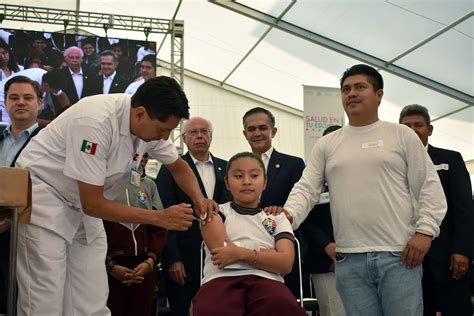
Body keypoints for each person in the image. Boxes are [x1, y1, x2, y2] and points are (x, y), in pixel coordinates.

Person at [14, 76, 218, 315]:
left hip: (82, 206)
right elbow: (93, 203)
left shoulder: (149, 124)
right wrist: (159, 217)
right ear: (140, 113)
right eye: (164, 130)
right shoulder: (94, 122)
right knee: (45, 295)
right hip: (45, 198)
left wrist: (199, 198)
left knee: (92, 295)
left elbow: (178, 166)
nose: (165, 137)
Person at [283, 64, 447, 315]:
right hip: (348, 261)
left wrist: (425, 232)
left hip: (399, 257)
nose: (351, 93)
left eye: (360, 87)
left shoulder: (401, 135)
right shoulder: (327, 144)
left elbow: (429, 187)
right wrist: (288, 215)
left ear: (379, 94)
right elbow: (306, 188)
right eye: (346, 89)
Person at [190, 152, 306, 316]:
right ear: (227, 183)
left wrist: (238, 253)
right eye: (238, 176)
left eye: (254, 175)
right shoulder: (215, 212)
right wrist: (268, 254)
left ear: (264, 182)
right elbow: (221, 252)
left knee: (282, 306)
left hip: (268, 280)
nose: (246, 181)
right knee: (210, 309)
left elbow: (286, 263)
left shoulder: (277, 218)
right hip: (220, 279)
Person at [399, 104, 473, 316]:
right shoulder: (392, 163)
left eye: (418, 125)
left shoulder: (450, 159)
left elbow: (464, 208)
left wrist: (462, 251)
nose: (413, 130)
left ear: (429, 130)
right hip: (406, 258)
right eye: (407, 126)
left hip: (448, 256)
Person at [157, 116, 229, 316]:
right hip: (185, 260)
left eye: (204, 132)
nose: (199, 136)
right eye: (193, 133)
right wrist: (172, 259)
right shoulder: (171, 169)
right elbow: (165, 214)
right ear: (185, 138)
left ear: (211, 136)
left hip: (221, 258)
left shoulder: (227, 167)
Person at [242, 106, 306, 297]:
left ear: (274, 131)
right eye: (251, 129)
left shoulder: (294, 164)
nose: (257, 133)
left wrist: (285, 212)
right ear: (244, 134)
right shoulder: (236, 166)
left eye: (263, 128)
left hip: (283, 250)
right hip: (247, 251)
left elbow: (302, 205)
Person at [0, 76, 43, 315]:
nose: (20, 102)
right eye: (13, 98)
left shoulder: (49, 142)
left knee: (21, 302)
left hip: (28, 236)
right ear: (5, 103)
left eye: (28, 98)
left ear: (39, 103)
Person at [104, 153, 167, 316]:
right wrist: (109, 266)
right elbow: (94, 229)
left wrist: (150, 261)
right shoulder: (104, 185)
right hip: (111, 268)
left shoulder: (149, 185)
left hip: (144, 267)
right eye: (139, 154)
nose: (143, 159)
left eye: (146, 155)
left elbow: (159, 227)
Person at [300, 125, 346, 316]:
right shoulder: (311, 179)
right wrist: (328, 246)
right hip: (323, 259)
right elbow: (305, 219)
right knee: (333, 312)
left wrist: (346, 248)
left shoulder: (363, 175)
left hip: (360, 255)